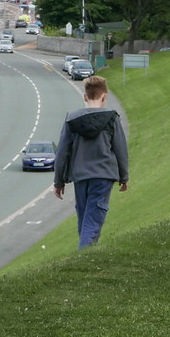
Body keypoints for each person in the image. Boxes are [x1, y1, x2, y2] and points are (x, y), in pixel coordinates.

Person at [53, 75, 129, 249]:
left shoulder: (72, 119)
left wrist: (59, 181)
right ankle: (85, 255)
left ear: (85, 96)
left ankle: (87, 254)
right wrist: (124, 177)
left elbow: (62, 153)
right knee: (93, 219)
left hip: (80, 177)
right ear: (105, 96)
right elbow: (120, 150)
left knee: (84, 218)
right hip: (103, 176)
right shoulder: (112, 118)